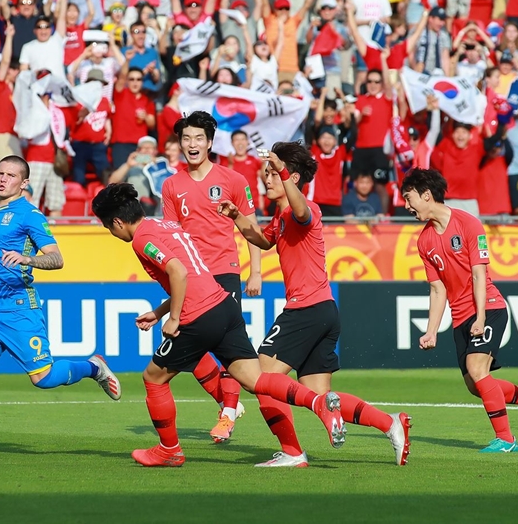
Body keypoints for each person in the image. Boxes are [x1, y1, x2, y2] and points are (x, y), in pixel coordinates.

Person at [91, 182, 347, 467]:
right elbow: (191, 273)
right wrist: (160, 311)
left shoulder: (142, 237)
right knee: (257, 381)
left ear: (116, 221)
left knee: (153, 377)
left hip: (198, 316)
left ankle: (169, 450)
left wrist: (174, 318)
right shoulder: (165, 226)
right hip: (224, 306)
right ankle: (318, 403)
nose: (112, 234)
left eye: (108, 228)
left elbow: (177, 271)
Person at [218, 143, 410, 467]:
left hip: (304, 310)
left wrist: (280, 169)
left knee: (260, 378)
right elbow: (264, 241)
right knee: (320, 395)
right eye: (267, 172)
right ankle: (390, 423)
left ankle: (293, 453)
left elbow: (302, 212)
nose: (267, 178)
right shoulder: (280, 215)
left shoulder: (305, 208)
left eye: (273, 173)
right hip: (323, 310)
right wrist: (237, 216)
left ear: (291, 177)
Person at [0, 156, 121, 463]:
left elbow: (56, 259)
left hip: (18, 309)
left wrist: (27, 259)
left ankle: (93, 367)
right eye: (0, 173)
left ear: (24, 182)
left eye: (11, 175)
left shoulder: (30, 215)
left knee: (43, 378)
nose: (3, 179)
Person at [401, 167, 518, 454]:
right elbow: (438, 290)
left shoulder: (469, 224)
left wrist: (481, 316)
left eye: (408, 198)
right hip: (461, 317)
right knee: (477, 385)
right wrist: (431, 330)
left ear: (426, 195)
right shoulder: (424, 241)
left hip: (489, 308)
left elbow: (478, 274)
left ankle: (507, 440)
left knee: (477, 369)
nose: (406, 206)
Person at [161, 111, 263, 442]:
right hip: (192, 277)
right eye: (186, 138)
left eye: (198, 138)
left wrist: (256, 272)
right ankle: (226, 401)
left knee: (227, 348)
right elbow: (171, 237)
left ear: (209, 142)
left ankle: (228, 412)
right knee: (188, 347)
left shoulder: (233, 180)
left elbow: (251, 229)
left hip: (224, 271)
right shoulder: (171, 185)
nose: (191, 144)